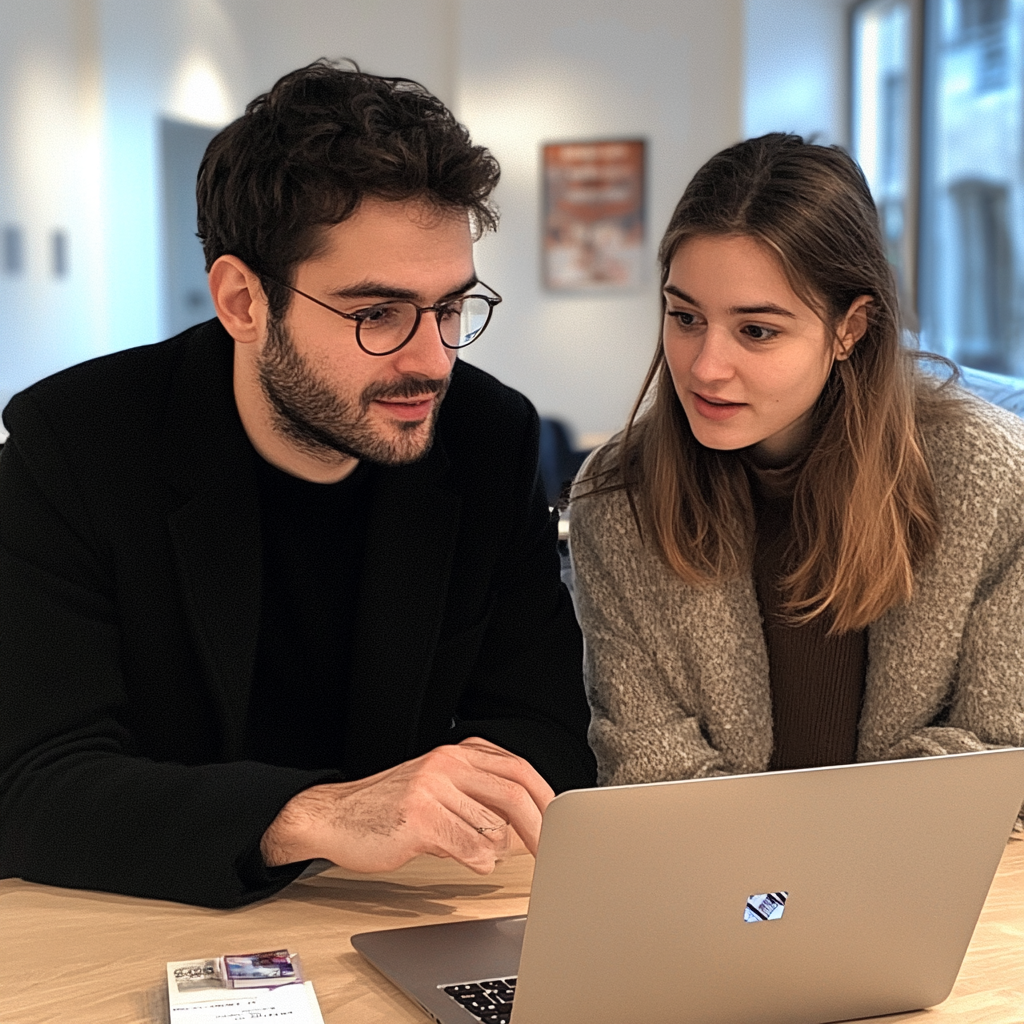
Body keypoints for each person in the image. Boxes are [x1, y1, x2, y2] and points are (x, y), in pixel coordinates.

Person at [0, 61, 595, 909]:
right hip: (148, 920)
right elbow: (31, 783)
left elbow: (546, 737)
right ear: (244, 302)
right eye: (376, 314)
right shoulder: (77, 448)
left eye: (452, 308)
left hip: (406, 916)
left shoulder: (491, 440)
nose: (432, 361)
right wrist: (309, 815)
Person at [570, 134, 1024, 788]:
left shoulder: (995, 477)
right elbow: (651, 769)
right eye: (684, 316)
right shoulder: (619, 498)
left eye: (756, 330)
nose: (705, 367)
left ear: (851, 327)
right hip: (712, 878)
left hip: (929, 877)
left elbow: (998, 751)